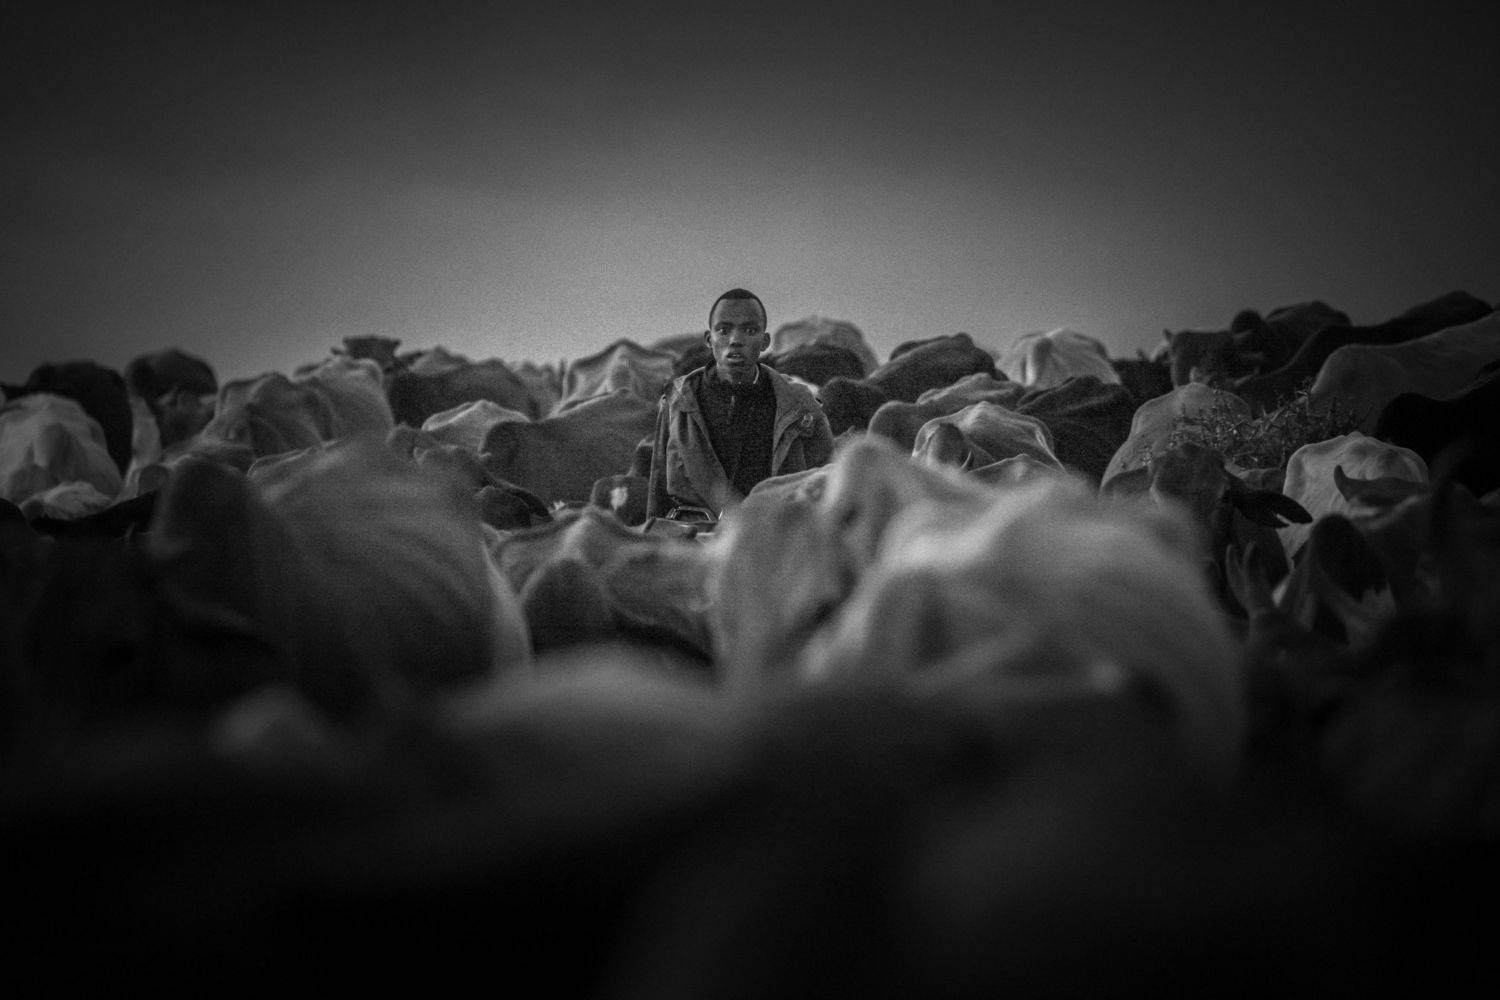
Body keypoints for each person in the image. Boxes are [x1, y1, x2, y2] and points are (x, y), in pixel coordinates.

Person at [646, 288, 834, 521]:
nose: (735, 340)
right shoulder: (678, 402)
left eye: (750, 330)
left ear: (764, 342)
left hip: (772, 537)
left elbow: (826, 482)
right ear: (709, 339)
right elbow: (658, 492)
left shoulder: (799, 405)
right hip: (695, 538)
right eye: (724, 330)